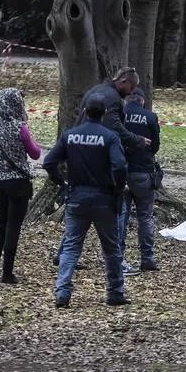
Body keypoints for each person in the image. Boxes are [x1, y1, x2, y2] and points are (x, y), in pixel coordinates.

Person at [52, 67, 150, 273]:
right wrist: (137, 140)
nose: (132, 92)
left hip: (80, 163)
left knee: (78, 217)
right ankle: (118, 262)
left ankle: (63, 255)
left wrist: (61, 181)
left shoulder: (95, 91)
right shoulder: (113, 99)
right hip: (101, 165)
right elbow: (116, 130)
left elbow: (50, 160)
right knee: (117, 215)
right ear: (123, 81)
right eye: (131, 87)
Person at [43, 95, 130, 308]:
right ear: (104, 114)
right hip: (104, 199)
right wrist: (118, 187)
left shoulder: (70, 136)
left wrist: (62, 183)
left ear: (84, 111)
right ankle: (115, 292)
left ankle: (62, 291)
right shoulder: (110, 137)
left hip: (76, 198)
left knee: (71, 247)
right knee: (111, 248)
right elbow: (119, 166)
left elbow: (49, 162)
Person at [0, 88, 41, 284]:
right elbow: (35, 153)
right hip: (19, 182)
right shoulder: (20, 128)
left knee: (1, 224)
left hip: (0, 181)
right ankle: (7, 273)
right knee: (13, 228)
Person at [117, 87, 161, 273]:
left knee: (121, 216)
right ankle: (147, 258)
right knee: (145, 217)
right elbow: (156, 145)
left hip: (121, 171)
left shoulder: (119, 116)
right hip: (143, 173)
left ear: (128, 99)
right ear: (142, 100)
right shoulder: (150, 117)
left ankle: (118, 257)